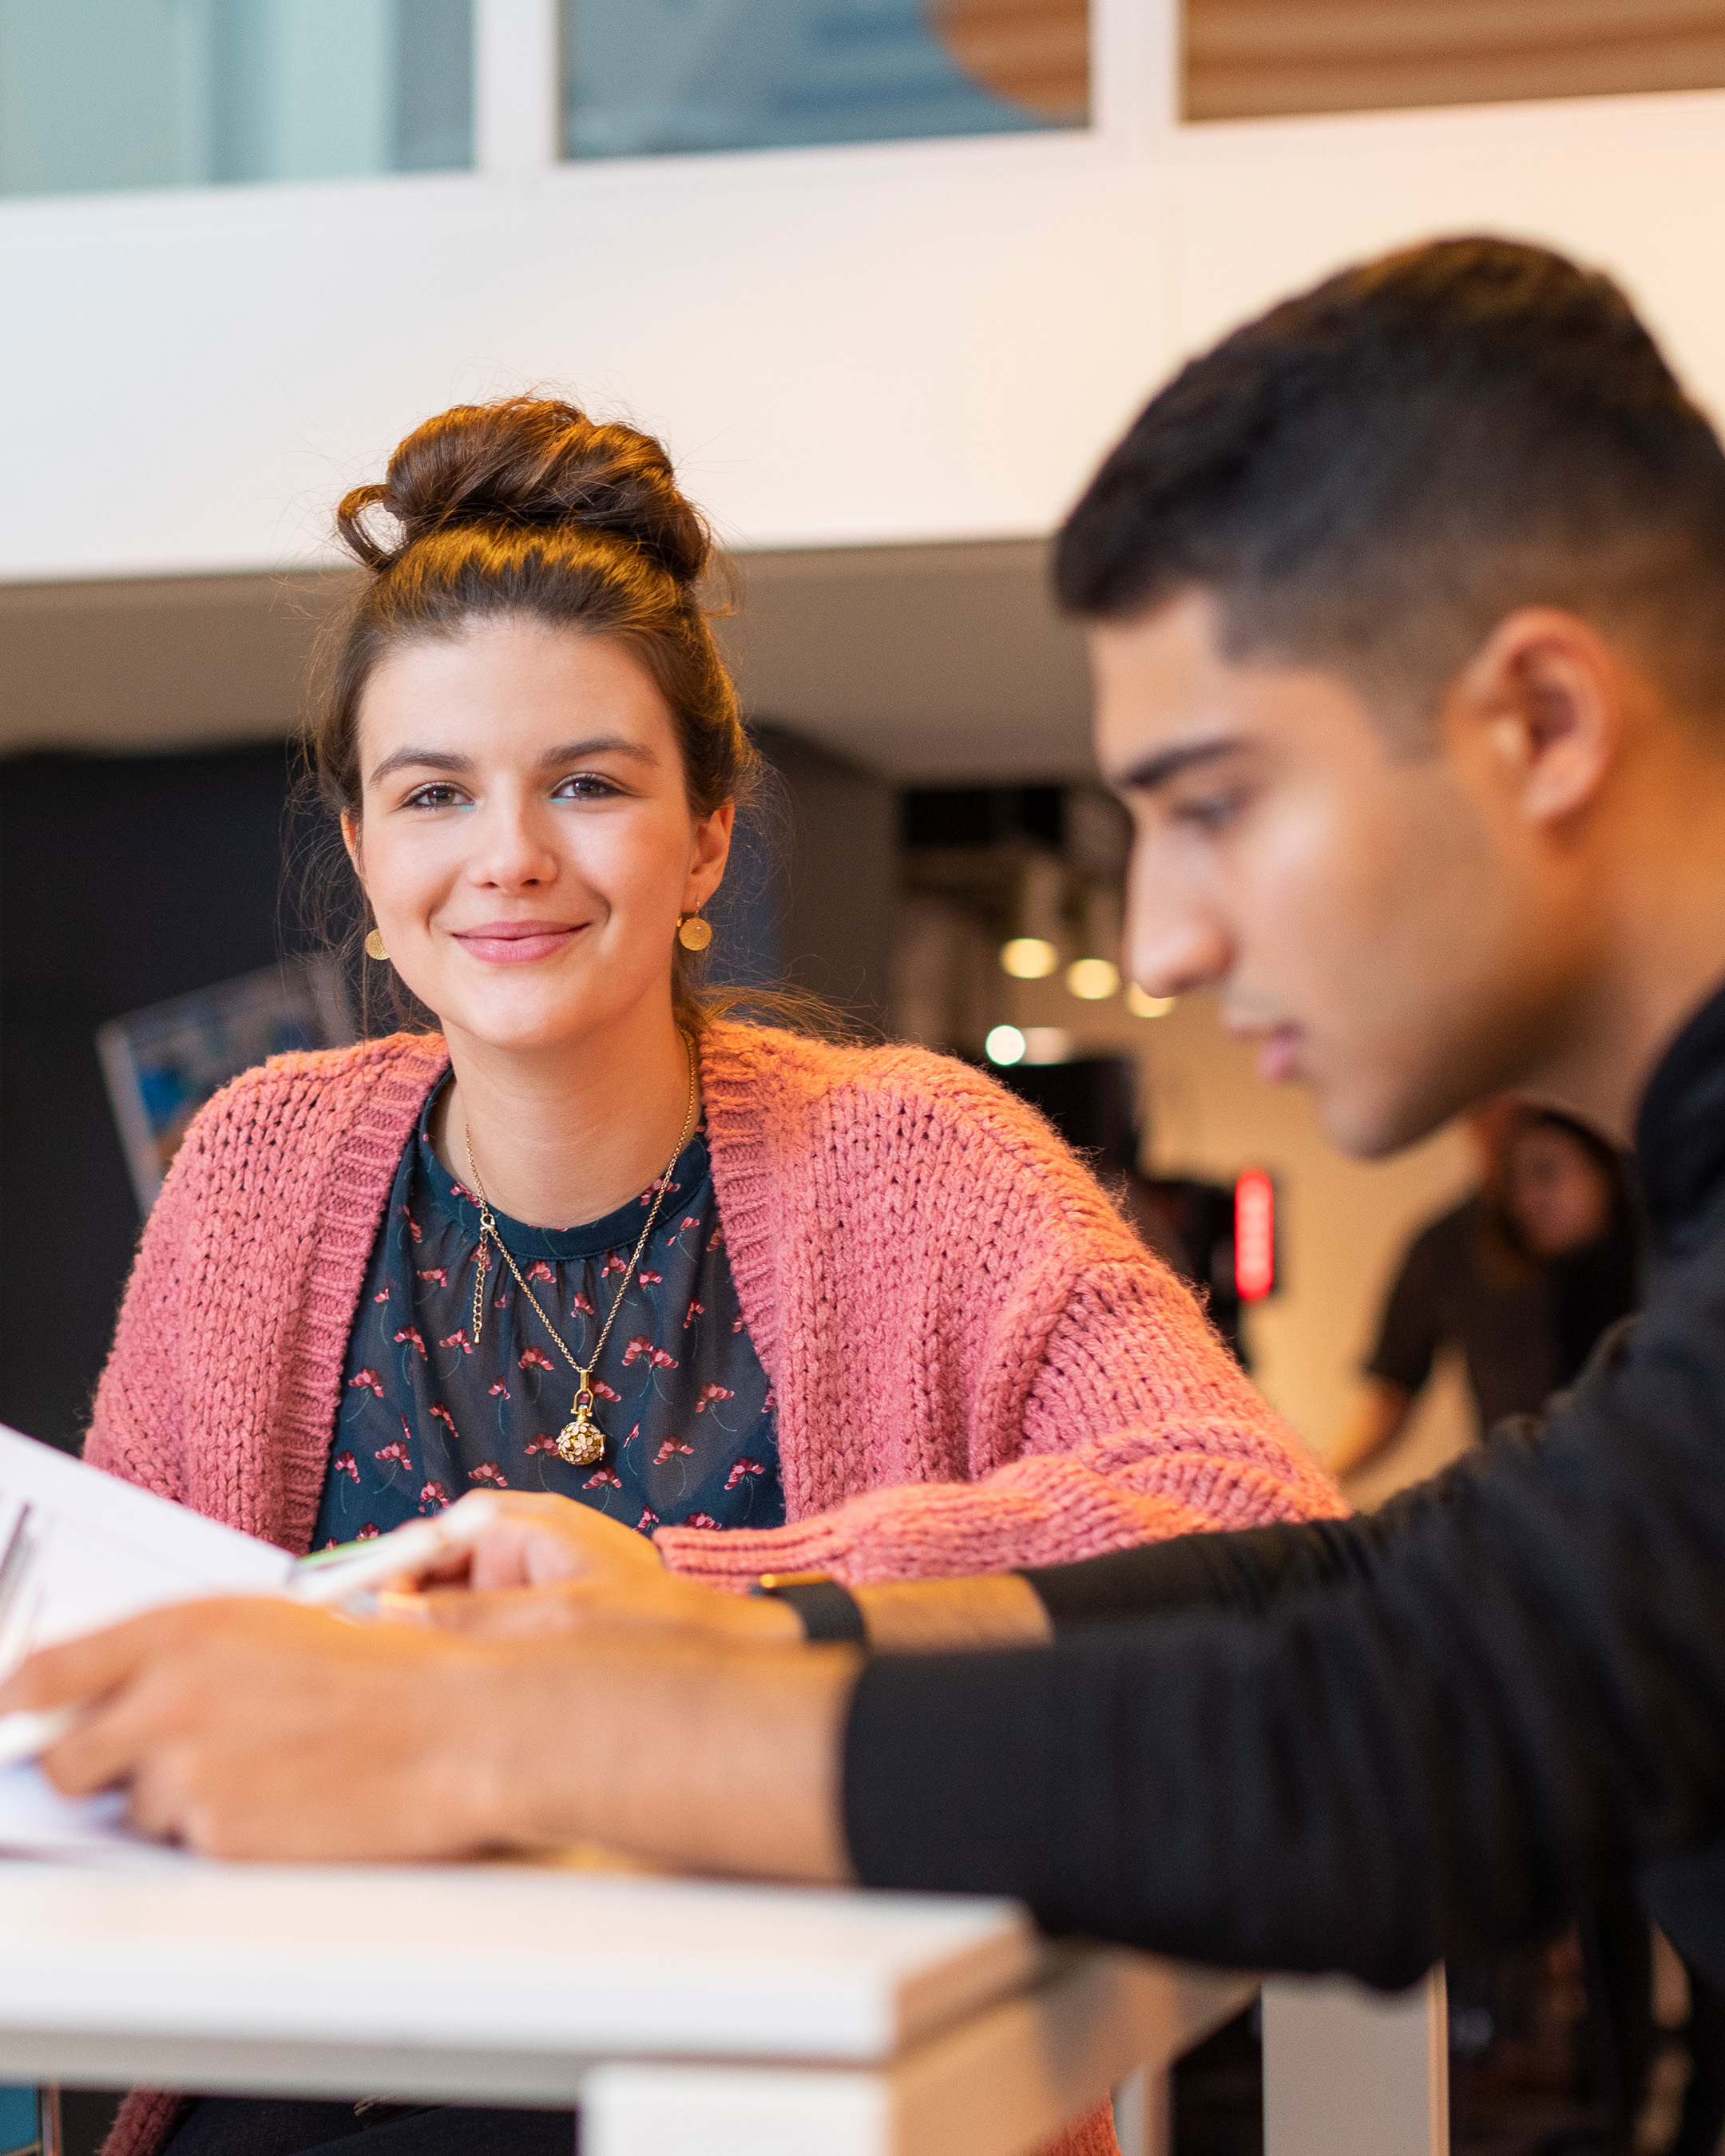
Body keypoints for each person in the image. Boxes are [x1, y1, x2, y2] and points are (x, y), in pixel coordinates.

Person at [19, 233, 1725, 2072]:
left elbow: (1353, 1740)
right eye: (432, 791)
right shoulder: (1673, 1368)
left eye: (1215, 799)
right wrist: (724, 1633)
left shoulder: (906, 1145)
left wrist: (499, 1721)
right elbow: (1362, 1611)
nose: (1156, 941)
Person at [47, 394, 1333, 2156]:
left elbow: (1251, 1521)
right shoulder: (255, 1168)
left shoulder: (916, 1157)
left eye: (587, 782)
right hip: (318, 2050)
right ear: (364, 859)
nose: (508, 855)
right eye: (435, 794)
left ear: (707, 835)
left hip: (762, 2063)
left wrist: (687, 1602)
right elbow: (119, 1665)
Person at [1330, 1100, 1640, 1480]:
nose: (1530, 1200)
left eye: (1545, 1174)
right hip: (1529, 1500)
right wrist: (1318, 1483)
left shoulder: (1659, 1227)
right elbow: (1390, 1401)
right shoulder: (1446, 1248)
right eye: (1518, 1181)